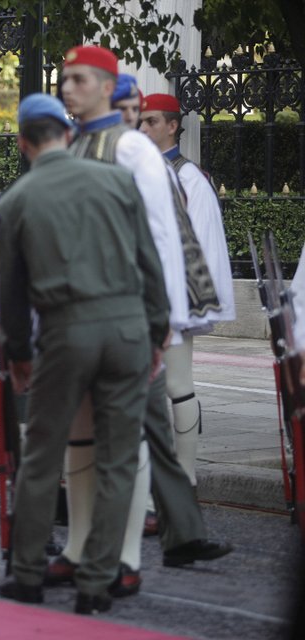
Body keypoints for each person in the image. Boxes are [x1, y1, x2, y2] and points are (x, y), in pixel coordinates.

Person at [49, 45, 232, 599]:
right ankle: (96, 545)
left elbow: (167, 247)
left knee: (142, 427)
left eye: (78, 79)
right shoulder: (78, 145)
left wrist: (165, 322)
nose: (67, 89)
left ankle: (128, 554)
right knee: (88, 439)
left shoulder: (144, 159)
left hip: (137, 315)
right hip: (82, 316)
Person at [0, 93, 169, 615]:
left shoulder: (15, 201)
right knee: (117, 459)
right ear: (67, 136)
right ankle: (98, 582)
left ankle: (27, 573)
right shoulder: (117, 181)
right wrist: (156, 331)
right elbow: (150, 263)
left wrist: (19, 355)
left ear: (25, 143)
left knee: (45, 457)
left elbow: (11, 294)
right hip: (128, 329)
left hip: (65, 331)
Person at [140, 92, 236, 485]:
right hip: (137, 299)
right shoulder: (137, 171)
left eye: (150, 122)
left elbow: (200, 246)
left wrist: (187, 305)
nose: (142, 128)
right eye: (140, 121)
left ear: (172, 126)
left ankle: (186, 474)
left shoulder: (189, 178)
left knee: (178, 387)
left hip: (172, 302)